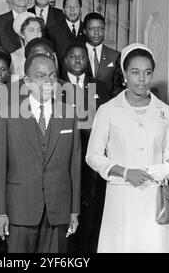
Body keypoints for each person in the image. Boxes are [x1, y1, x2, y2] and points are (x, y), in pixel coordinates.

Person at [86, 43, 169, 253]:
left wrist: (167, 168)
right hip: (121, 196)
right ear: (125, 75)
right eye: (135, 73)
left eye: (147, 73)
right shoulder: (108, 110)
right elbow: (93, 155)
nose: (142, 79)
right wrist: (125, 172)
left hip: (155, 196)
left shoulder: (166, 111)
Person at [0, 54, 81, 253]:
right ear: (27, 81)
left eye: (52, 76)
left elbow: (74, 166)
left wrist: (74, 210)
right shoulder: (7, 115)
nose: (48, 82)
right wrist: (0, 212)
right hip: (19, 210)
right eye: (40, 76)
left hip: (58, 210)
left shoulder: (69, 114)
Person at [61, 42, 109, 253]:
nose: (78, 60)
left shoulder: (101, 86)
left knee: (92, 215)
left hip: (94, 161)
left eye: (82, 56)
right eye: (73, 56)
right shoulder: (57, 87)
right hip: (66, 158)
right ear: (65, 61)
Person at [83, 12, 124, 97]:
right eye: (92, 28)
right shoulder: (76, 54)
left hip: (107, 105)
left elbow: (118, 87)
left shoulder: (115, 56)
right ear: (84, 31)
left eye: (101, 28)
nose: (97, 33)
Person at [10, 12, 44, 81]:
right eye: (31, 30)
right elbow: (14, 87)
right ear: (22, 34)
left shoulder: (47, 53)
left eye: (39, 30)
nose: (36, 34)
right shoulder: (15, 57)